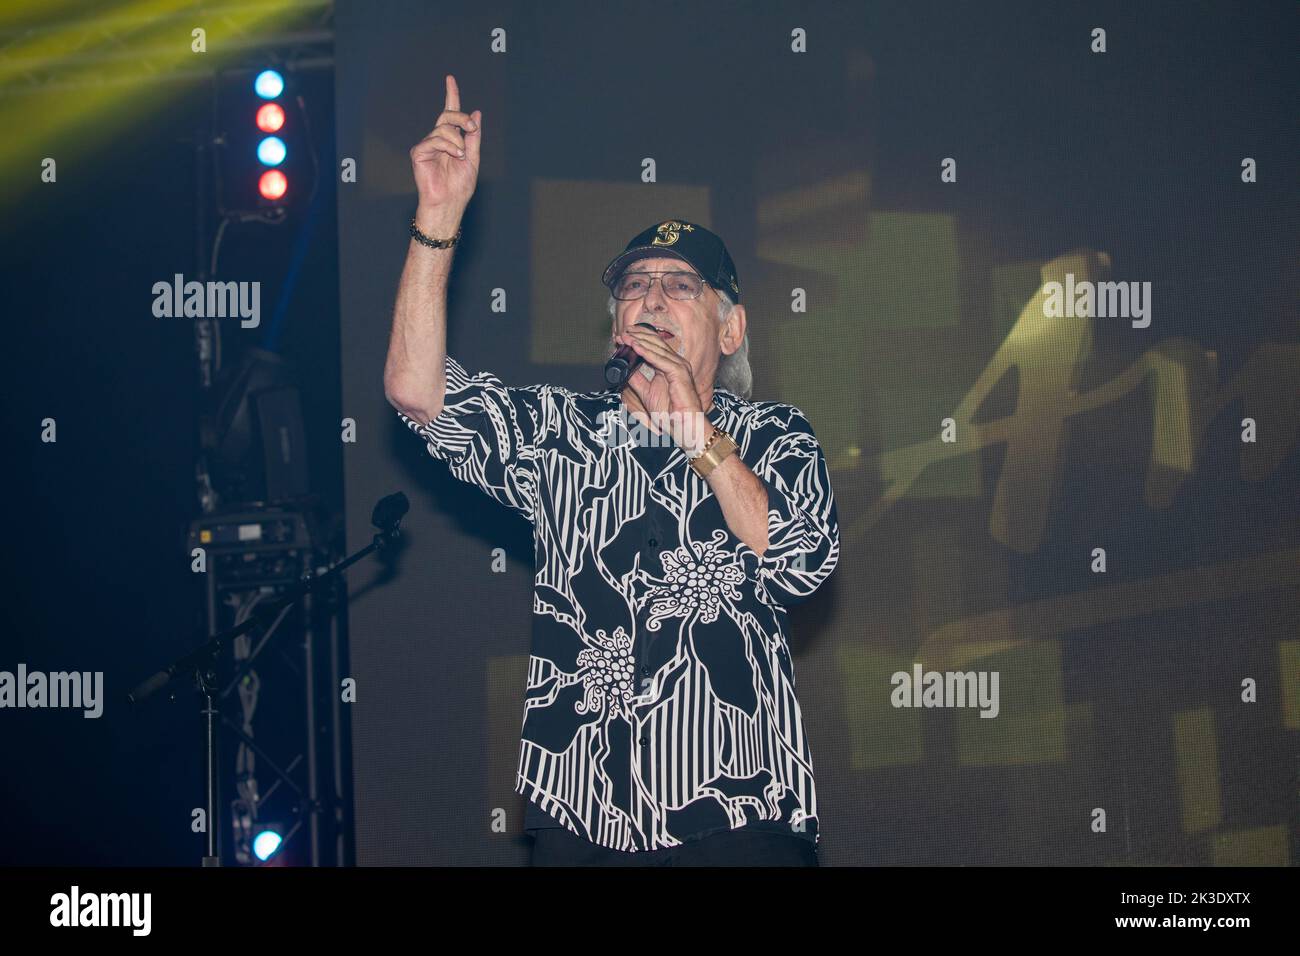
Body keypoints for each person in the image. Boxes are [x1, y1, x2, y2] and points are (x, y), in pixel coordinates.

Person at [384, 75, 840, 867]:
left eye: (679, 285)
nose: (650, 297)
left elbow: (803, 564)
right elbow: (416, 393)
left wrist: (699, 437)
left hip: (738, 824)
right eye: (635, 285)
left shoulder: (774, 436)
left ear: (731, 329)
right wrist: (437, 220)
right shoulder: (562, 435)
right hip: (582, 824)